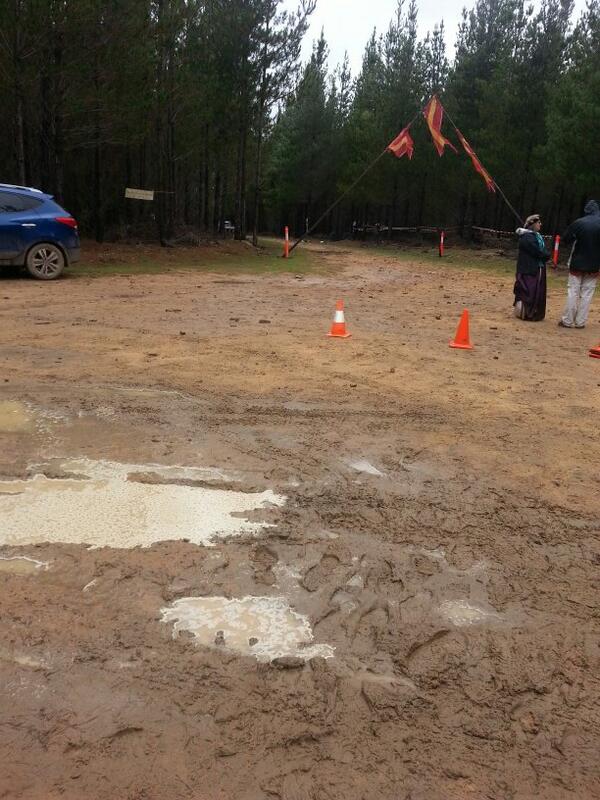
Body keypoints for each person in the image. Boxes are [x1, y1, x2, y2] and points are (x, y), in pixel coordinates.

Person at [559, 200, 600, 329]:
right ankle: (580, 322)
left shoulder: (578, 223)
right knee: (587, 294)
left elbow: (566, 239)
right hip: (594, 265)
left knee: (573, 291)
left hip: (577, 262)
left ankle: (567, 320)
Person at [513, 214, 550, 321]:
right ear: (532, 224)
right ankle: (527, 313)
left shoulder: (535, 236)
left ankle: (534, 312)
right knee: (528, 292)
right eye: (538, 222)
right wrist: (546, 255)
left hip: (536, 268)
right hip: (528, 270)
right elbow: (537, 251)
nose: (540, 224)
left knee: (536, 292)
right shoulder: (527, 238)